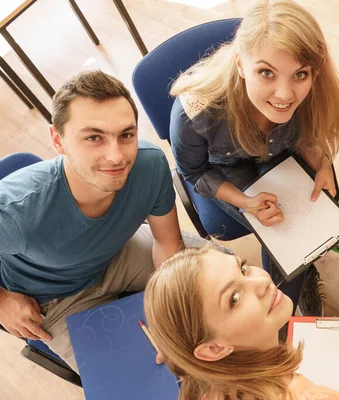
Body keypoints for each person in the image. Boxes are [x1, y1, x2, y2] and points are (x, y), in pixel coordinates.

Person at [0, 70, 206, 373]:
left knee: (221, 275)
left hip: (116, 253)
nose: (116, 156)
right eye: (94, 138)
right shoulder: (15, 208)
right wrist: (2, 301)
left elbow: (167, 244)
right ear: (58, 140)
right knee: (139, 383)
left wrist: (175, 317)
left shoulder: (148, 164)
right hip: (51, 301)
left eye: (126, 135)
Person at [169, 0, 339, 315]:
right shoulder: (194, 111)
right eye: (266, 73)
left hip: (282, 153)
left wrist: (324, 164)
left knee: (310, 225)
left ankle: (295, 280)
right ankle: (284, 308)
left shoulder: (314, 90)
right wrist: (244, 202)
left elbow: (308, 134)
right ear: (240, 64)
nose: (284, 94)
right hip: (224, 168)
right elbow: (195, 173)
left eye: (300, 75)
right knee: (284, 236)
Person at [144, 246, 339, 400]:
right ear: (214, 349)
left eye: (242, 268)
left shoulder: (203, 377)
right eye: (234, 298)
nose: (262, 282)